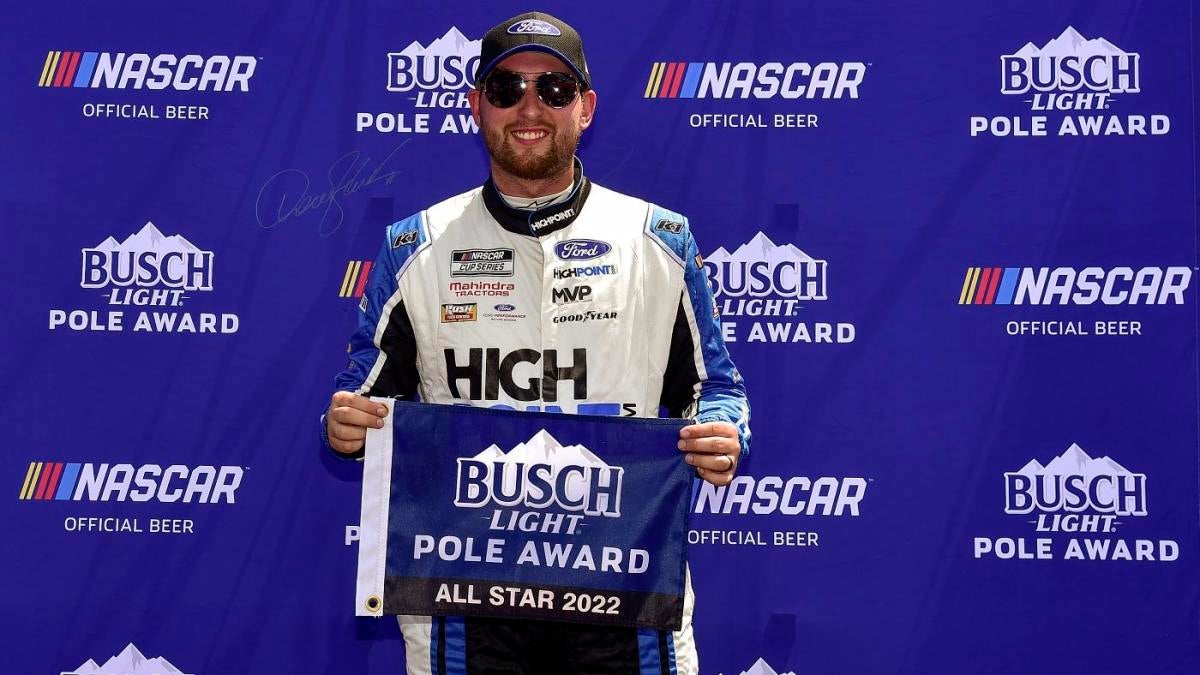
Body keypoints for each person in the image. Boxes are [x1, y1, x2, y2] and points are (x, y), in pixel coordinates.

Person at [323, 11, 750, 675]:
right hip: (464, 593)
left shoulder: (660, 241)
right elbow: (372, 394)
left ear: (586, 107)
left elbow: (714, 388)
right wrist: (348, 423)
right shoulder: (415, 246)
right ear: (475, 107)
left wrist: (722, 431)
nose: (529, 108)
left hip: (622, 581)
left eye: (553, 90)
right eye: (505, 89)